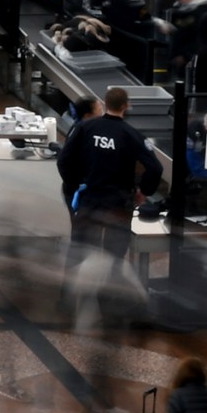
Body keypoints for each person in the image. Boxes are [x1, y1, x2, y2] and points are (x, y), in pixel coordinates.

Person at [56, 86, 164, 301]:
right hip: (118, 202)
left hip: (90, 199)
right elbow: (155, 168)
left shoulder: (86, 128)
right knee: (115, 252)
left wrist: (75, 182)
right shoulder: (131, 135)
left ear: (105, 103)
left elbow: (64, 160)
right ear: (126, 106)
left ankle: (66, 298)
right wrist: (144, 191)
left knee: (80, 246)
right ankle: (108, 299)